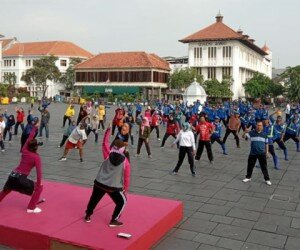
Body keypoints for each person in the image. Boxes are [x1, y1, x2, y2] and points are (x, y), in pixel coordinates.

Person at [84, 126, 130, 227]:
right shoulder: (126, 162)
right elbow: (126, 178)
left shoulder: (108, 154)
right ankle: (114, 220)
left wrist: (108, 131)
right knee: (122, 201)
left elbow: (104, 143)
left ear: (113, 147)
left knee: (94, 199)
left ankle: (87, 215)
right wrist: (125, 189)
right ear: (123, 149)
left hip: (99, 183)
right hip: (113, 187)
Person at [0, 125, 44, 213]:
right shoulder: (36, 157)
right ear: (36, 147)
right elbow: (39, 174)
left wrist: (34, 128)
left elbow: (29, 139)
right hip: (21, 178)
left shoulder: (24, 150)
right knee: (40, 187)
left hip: (12, 175)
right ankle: (31, 208)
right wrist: (38, 184)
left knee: (6, 190)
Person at [242, 121, 271, 185]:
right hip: (253, 153)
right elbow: (243, 137)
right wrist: (245, 131)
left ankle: (267, 179)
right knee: (250, 166)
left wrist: (267, 152)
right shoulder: (251, 133)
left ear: (262, 127)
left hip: (262, 153)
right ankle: (248, 177)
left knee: (264, 167)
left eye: (260, 125)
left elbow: (266, 144)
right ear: (256, 126)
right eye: (258, 125)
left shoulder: (265, 134)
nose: (258, 126)